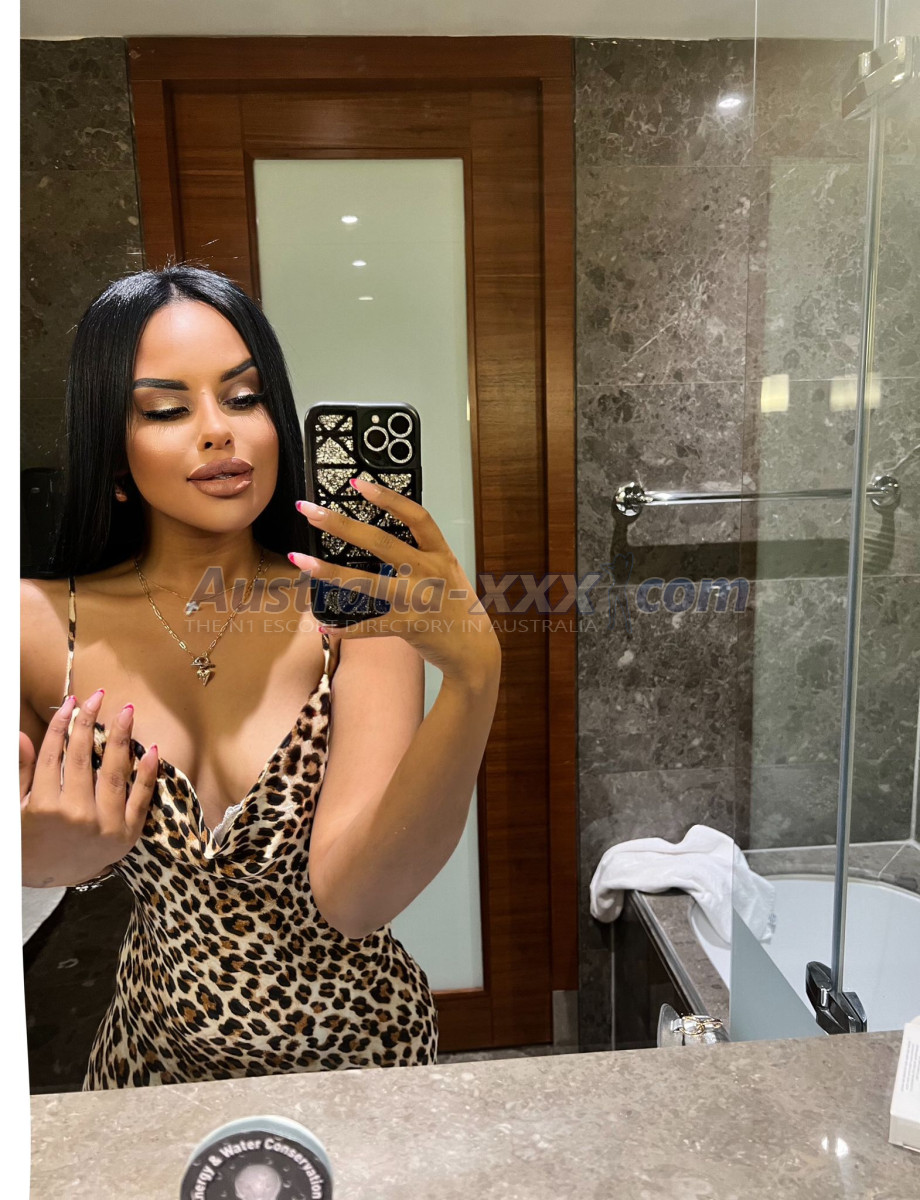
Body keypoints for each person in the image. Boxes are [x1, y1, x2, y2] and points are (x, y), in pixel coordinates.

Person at [19, 264, 502, 1089]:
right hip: (152, 1063)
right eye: (166, 409)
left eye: (244, 398)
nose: (219, 430)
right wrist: (32, 861)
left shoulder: (354, 614)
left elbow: (355, 899)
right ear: (111, 447)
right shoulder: (34, 626)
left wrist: (473, 680)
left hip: (361, 1060)